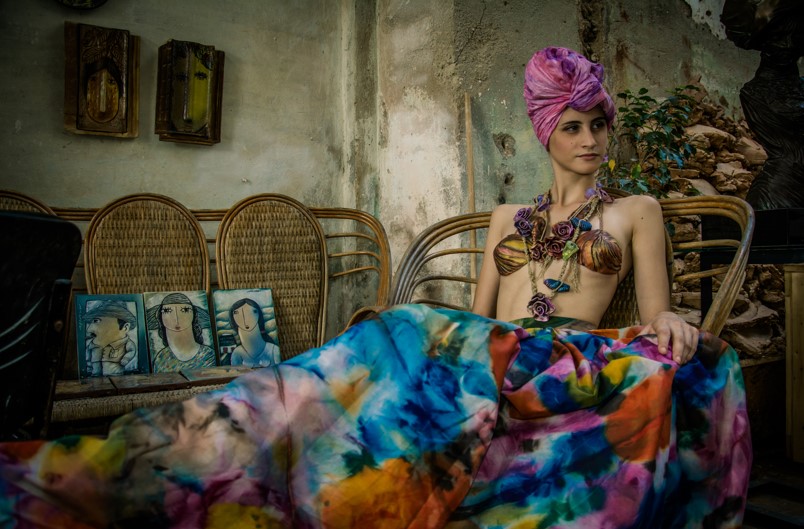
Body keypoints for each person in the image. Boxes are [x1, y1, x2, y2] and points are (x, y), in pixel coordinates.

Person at [0, 47, 750, 529]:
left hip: (560, 362)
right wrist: (441, 346)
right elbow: (475, 318)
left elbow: (658, 312)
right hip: (487, 357)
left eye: (599, 126)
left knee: (405, 329)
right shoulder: (506, 218)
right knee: (362, 358)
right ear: (545, 132)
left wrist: (675, 324)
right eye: (574, 127)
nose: (590, 140)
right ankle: (182, 445)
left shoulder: (636, 211)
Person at [148, 292, 217, 373]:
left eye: (185, 310)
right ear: (160, 316)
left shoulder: (208, 355)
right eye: (167, 310)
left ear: (194, 315)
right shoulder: (161, 358)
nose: (176, 317)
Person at [82, 299, 138, 376]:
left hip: (116, 377)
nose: (89, 329)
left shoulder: (127, 343)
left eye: (96, 321)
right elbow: (88, 356)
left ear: (125, 328)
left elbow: (131, 351)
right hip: (95, 376)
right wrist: (88, 365)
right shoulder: (93, 344)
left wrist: (126, 359)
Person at [228, 298, 280, 367]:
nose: (245, 319)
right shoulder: (237, 353)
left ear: (259, 315)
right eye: (236, 313)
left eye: (254, 311)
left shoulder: (273, 350)